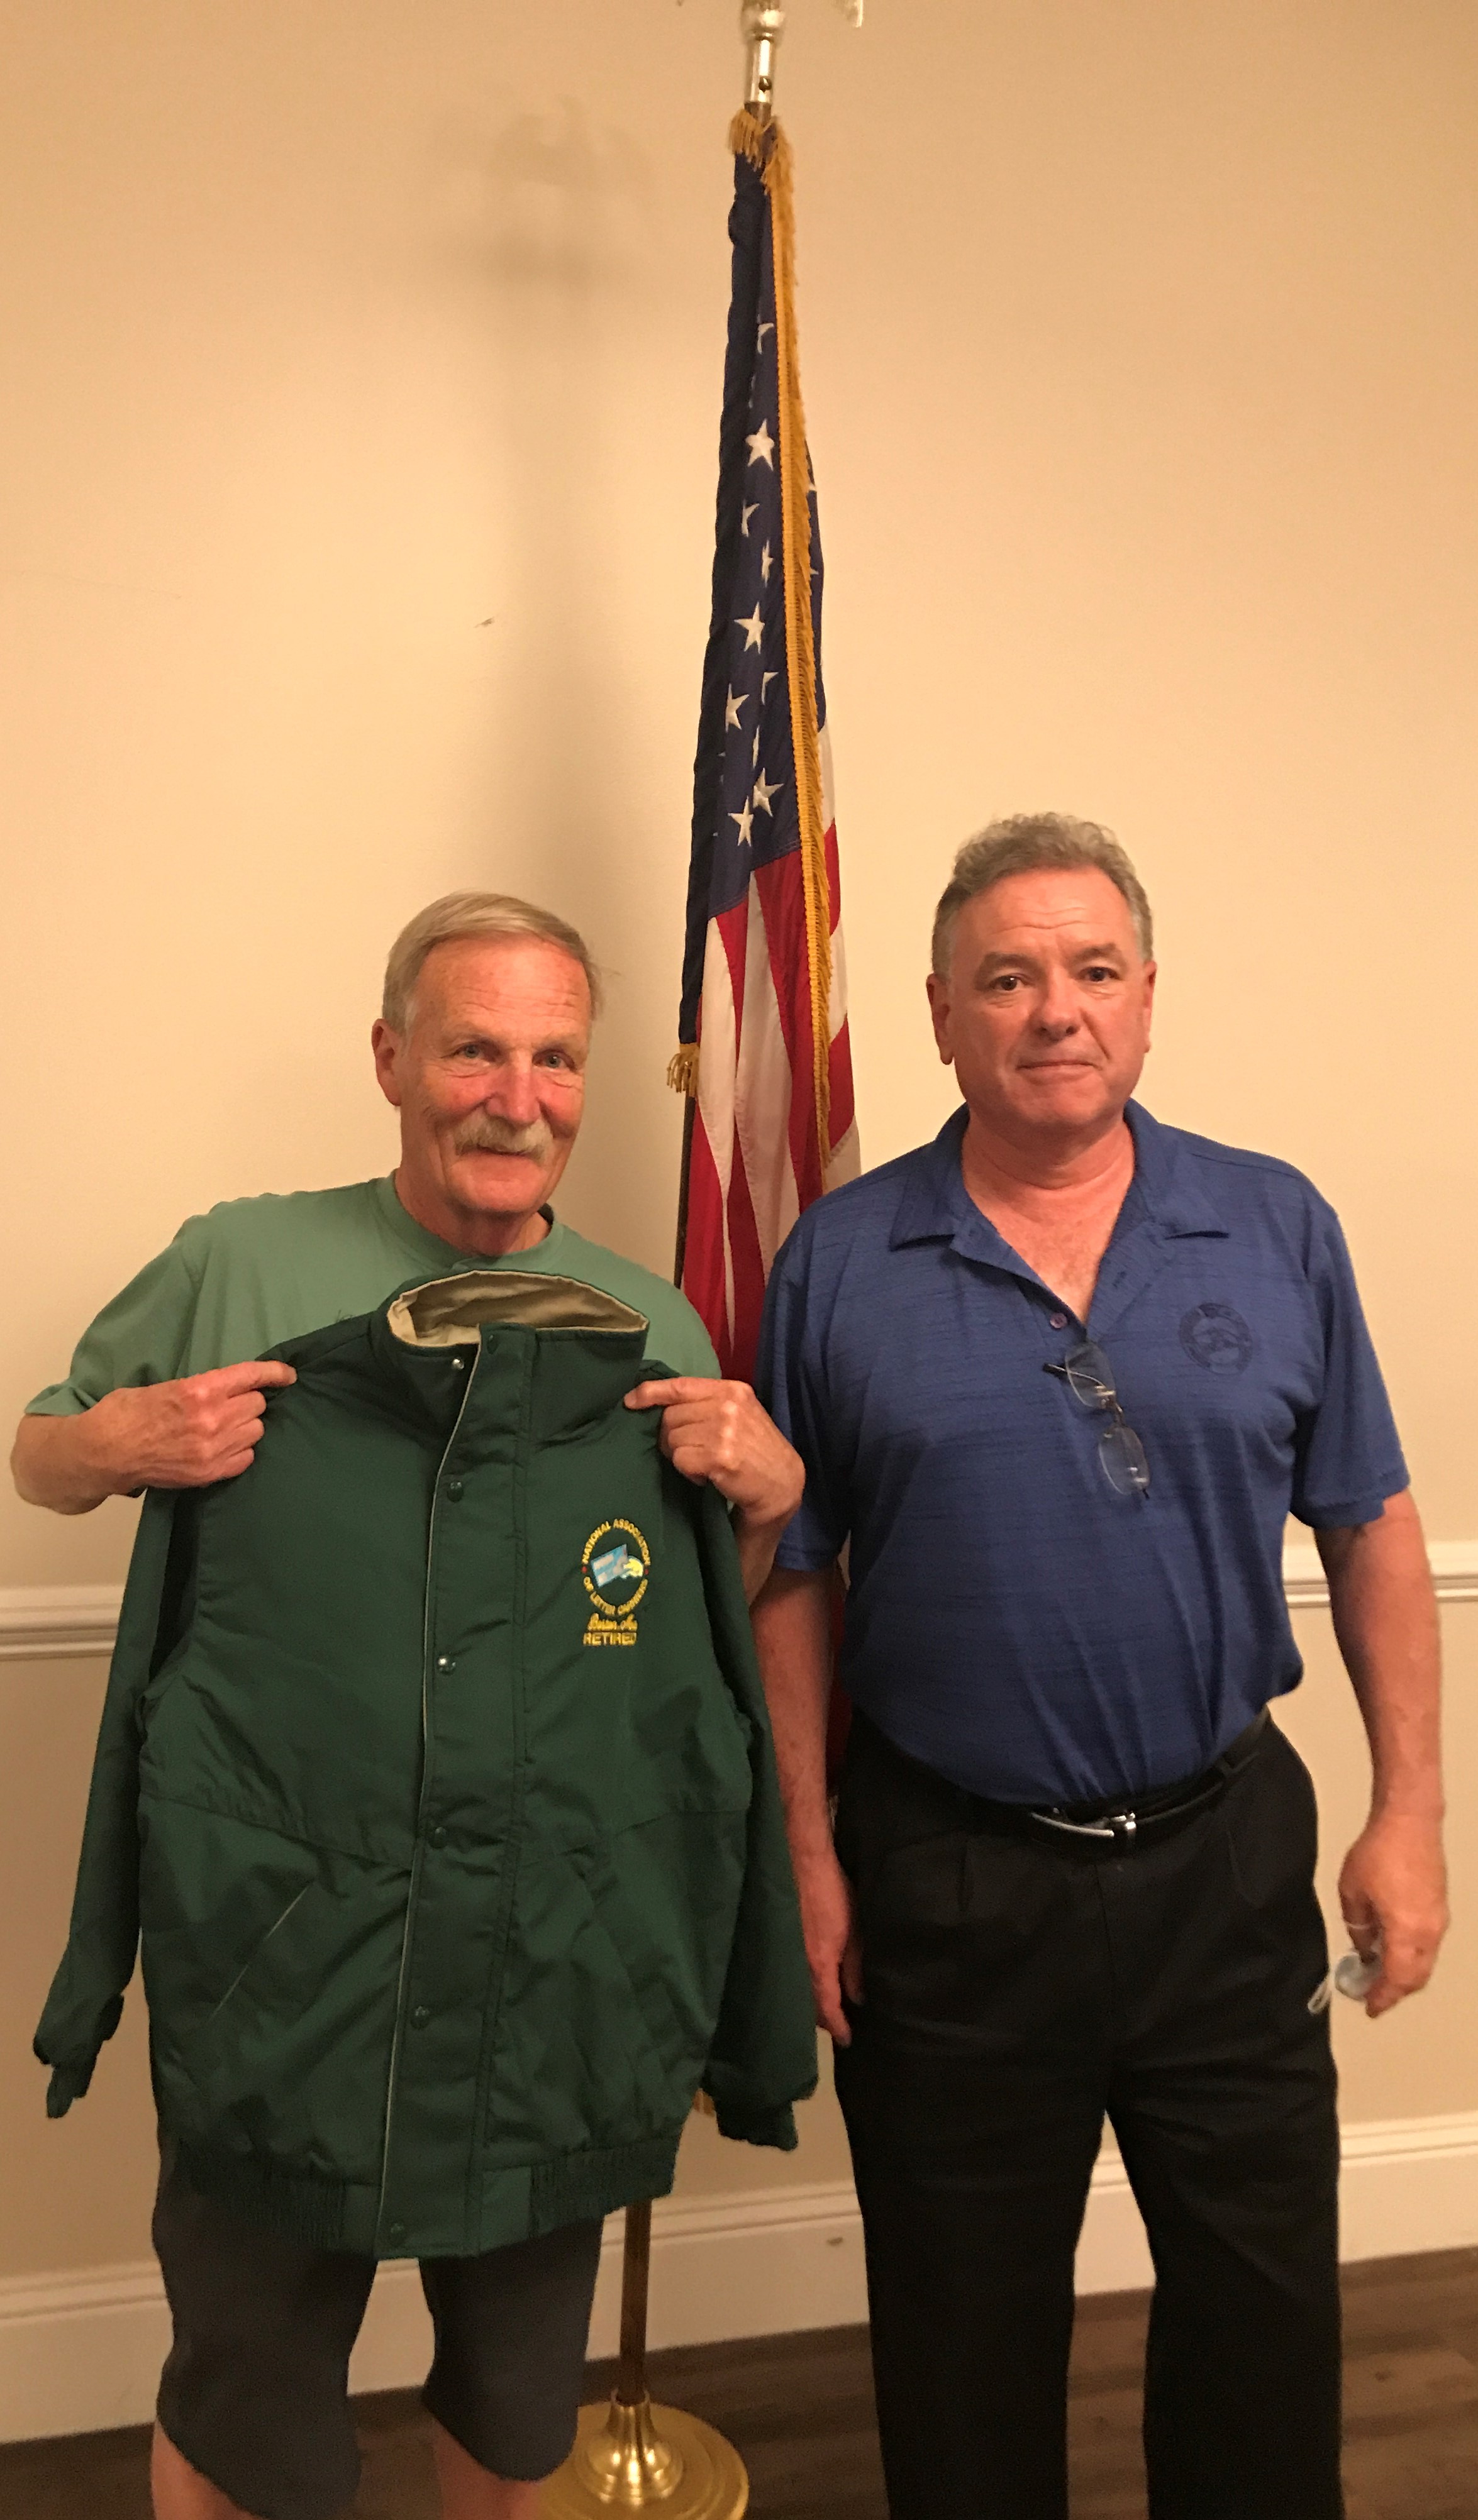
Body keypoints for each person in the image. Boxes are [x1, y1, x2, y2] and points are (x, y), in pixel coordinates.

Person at [13, 890, 805, 2520]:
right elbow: (42, 1451)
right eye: (473, 1052)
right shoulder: (238, 1263)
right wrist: (122, 1440)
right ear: (391, 1059)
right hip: (288, 1960)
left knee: (518, 2403)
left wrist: (769, 1498)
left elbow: (683, 1631)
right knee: (245, 2394)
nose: (518, 1097)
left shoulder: (646, 1324)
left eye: (554, 1059)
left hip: (547, 1964)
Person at [752, 814, 1447, 2520]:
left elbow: (1369, 1520)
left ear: (1147, 997)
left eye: (1092, 969)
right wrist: (808, 1853)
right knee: (960, 2346)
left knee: (1262, 2328)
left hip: (1225, 1863)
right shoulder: (839, 1260)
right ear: (941, 1015)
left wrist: (1412, 1812)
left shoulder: (1274, 1223)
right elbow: (792, 1574)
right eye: (1006, 978)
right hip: (949, 1873)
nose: (1054, 1009)